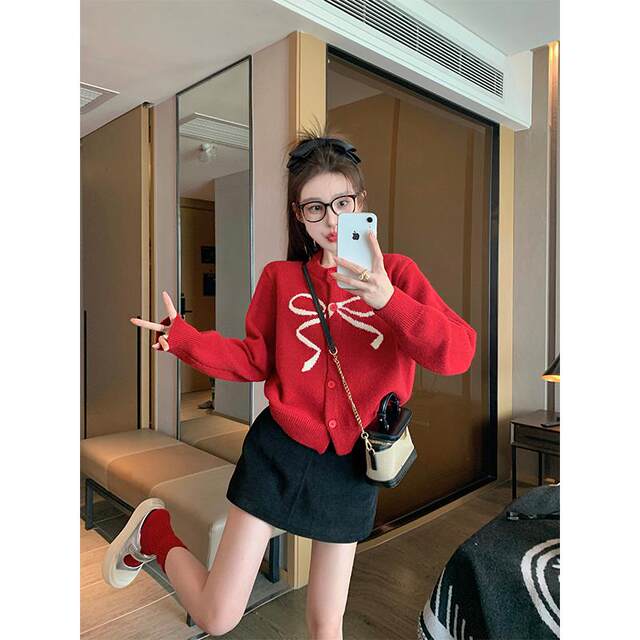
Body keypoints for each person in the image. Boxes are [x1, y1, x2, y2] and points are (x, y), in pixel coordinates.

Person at [102, 123, 477, 639]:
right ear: (299, 215)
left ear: (361, 202)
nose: (331, 219)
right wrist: (186, 340)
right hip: (278, 453)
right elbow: (253, 359)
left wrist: (387, 300)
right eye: (314, 207)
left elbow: (457, 353)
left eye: (342, 203)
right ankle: (154, 532)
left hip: (353, 468)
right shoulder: (281, 279)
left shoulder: (397, 275)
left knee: (326, 623)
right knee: (217, 616)